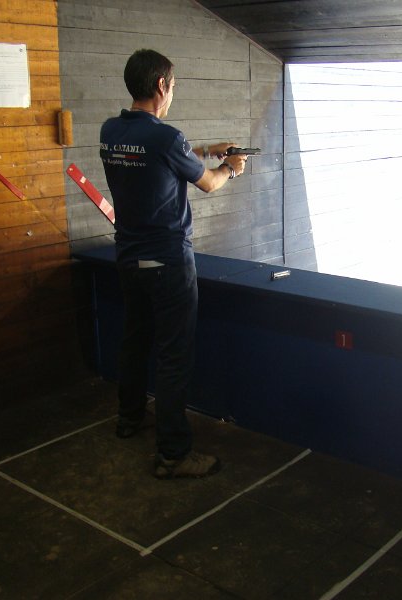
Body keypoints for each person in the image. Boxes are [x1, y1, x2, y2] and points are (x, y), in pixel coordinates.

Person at [99, 49, 247, 479]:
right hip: (167, 262)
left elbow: (156, 157)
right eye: (174, 86)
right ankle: (173, 454)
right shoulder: (167, 138)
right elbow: (208, 183)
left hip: (128, 257)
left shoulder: (110, 130)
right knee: (173, 357)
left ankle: (129, 418)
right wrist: (230, 166)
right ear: (161, 85)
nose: (173, 93)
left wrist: (202, 148)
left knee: (135, 341)